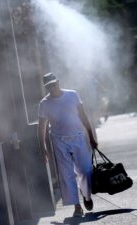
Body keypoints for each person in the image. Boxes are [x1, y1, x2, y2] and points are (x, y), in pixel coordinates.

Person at [37, 72, 98, 217]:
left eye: (54, 84)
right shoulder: (44, 104)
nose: (52, 87)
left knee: (85, 170)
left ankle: (86, 196)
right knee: (67, 174)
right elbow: (41, 127)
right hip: (59, 141)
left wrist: (91, 137)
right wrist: (43, 147)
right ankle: (77, 206)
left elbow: (83, 116)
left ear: (58, 82)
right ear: (46, 87)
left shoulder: (72, 95)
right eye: (49, 86)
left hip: (78, 137)